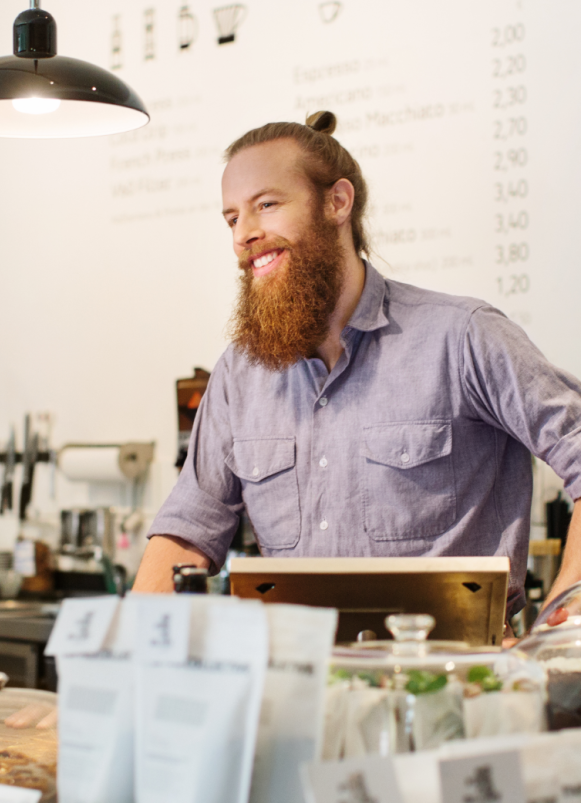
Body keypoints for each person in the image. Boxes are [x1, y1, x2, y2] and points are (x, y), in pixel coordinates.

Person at [133, 111, 581, 626]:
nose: (244, 235)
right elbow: (187, 532)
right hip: (296, 684)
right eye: (233, 218)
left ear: (337, 202)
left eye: (267, 205)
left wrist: (564, 615)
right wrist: (123, 664)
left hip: (449, 689)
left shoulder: (463, 337)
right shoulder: (240, 375)